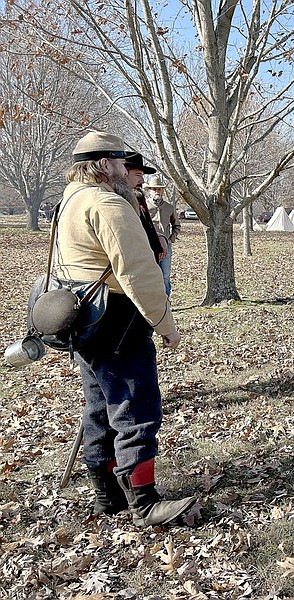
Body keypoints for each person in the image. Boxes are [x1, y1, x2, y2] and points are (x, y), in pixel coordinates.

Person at [55, 131, 195, 526]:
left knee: (99, 408)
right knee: (135, 407)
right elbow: (138, 272)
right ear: (104, 165)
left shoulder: (71, 200)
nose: (124, 169)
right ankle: (144, 502)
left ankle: (109, 497)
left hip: (84, 317)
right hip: (115, 318)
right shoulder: (105, 202)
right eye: (119, 163)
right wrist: (164, 323)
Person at [124, 153, 165, 262]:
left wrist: (160, 237)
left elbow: (145, 226)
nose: (142, 181)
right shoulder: (116, 201)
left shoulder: (138, 196)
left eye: (142, 175)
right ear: (123, 173)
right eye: (138, 175)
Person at [145, 175, 181, 296]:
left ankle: (166, 302)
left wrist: (171, 239)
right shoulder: (144, 207)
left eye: (159, 189)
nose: (157, 191)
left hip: (166, 246)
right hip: (148, 246)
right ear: (149, 190)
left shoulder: (169, 207)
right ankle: (153, 303)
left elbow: (177, 225)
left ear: (163, 191)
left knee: (165, 276)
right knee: (150, 276)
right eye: (154, 189)